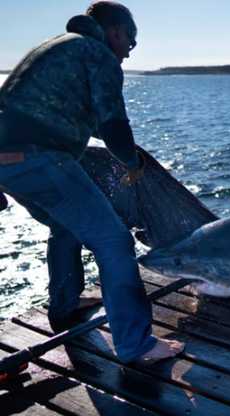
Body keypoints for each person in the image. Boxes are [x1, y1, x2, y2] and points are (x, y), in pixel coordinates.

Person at [0, 2, 183, 364]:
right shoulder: (98, 55)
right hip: (40, 156)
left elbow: (83, 117)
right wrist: (132, 163)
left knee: (64, 227)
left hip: (7, 161)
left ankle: (65, 306)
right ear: (114, 31)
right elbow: (113, 124)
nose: (131, 50)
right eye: (131, 39)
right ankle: (136, 344)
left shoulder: (58, 46)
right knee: (114, 240)